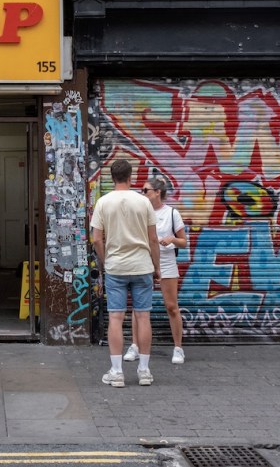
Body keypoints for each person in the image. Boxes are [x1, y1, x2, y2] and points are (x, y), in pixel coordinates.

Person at [90, 159, 159, 388]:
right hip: (142, 266)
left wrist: (104, 261)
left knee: (116, 319)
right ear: (131, 177)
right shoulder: (144, 202)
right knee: (143, 317)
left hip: (116, 267)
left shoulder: (103, 202)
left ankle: (117, 372)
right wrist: (156, 267)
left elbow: (97, 239)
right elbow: (153, 239)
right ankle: (144, 371)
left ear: (112, 177)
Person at [145, 176, 187, 364]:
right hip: (144, 261)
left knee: (171, 306)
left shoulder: (172, 213)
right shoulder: (142, 212)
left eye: (146, 190)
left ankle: (178, 347)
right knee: (140, 307)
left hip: (167, 261)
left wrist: (171, 239)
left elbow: (184, 242)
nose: (143, 194)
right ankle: (137, 345)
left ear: (157, 193)